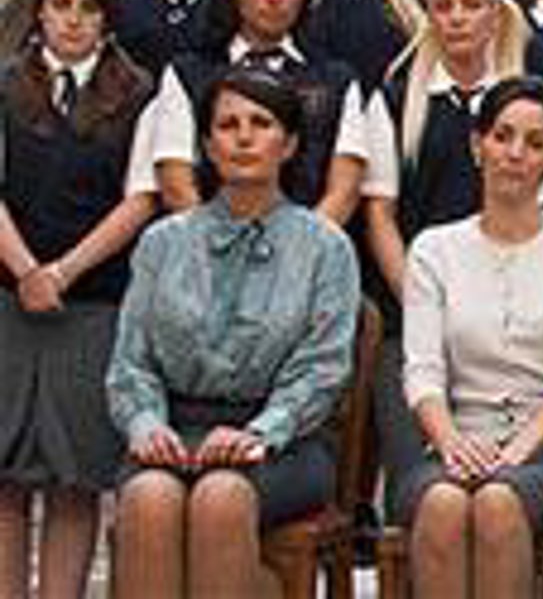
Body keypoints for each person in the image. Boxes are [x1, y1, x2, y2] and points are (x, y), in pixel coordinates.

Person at [107, 67, 359, 598]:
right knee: (150, 498)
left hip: (284, 442)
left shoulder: (326, 247)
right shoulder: (162, 242)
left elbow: (323, 369)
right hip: (174, 430)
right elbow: (132, 361)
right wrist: (146, 424)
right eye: (227, 125)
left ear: (289, 144)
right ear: (207, 145)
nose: (244, 138)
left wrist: (261, 432)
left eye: (261, 124)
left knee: (220, 497)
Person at [399, 77, 543, 596]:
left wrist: (516, 451)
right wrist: (451, 445)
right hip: (455, 448)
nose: (515, 153)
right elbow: (421, 371)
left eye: (535, 143)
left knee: (498, 499)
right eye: (502, 136)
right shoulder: (433, 249)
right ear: (478, 145)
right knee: (444, 502)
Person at [0, 0, 154, 599]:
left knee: (75, 477)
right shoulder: (6, 83)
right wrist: (27, 271)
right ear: (40, 12)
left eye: (88, 8)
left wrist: (62, 272)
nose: (73, 20)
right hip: (10, 300)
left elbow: (139, 199)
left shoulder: (139, 92)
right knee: (5, 479)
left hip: (92, 305)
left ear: (108, 20)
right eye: (61, 4)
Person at [360, 0, 531, 510]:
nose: (457, 17)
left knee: (501, 486)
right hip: (413, 319)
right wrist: (421, 301)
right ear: (428, 16)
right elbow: (380, 214)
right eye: (443, 6)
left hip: (507, 322)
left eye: (472, 5)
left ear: (495, 15)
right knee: (423, 487)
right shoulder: (394, 98)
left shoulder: (527, 101)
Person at [129, 0, 375, 224]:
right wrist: (223, 245)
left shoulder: (337, 80)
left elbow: (344, 190)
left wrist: (302, 247)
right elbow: (176, 184)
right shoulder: (187, 73)